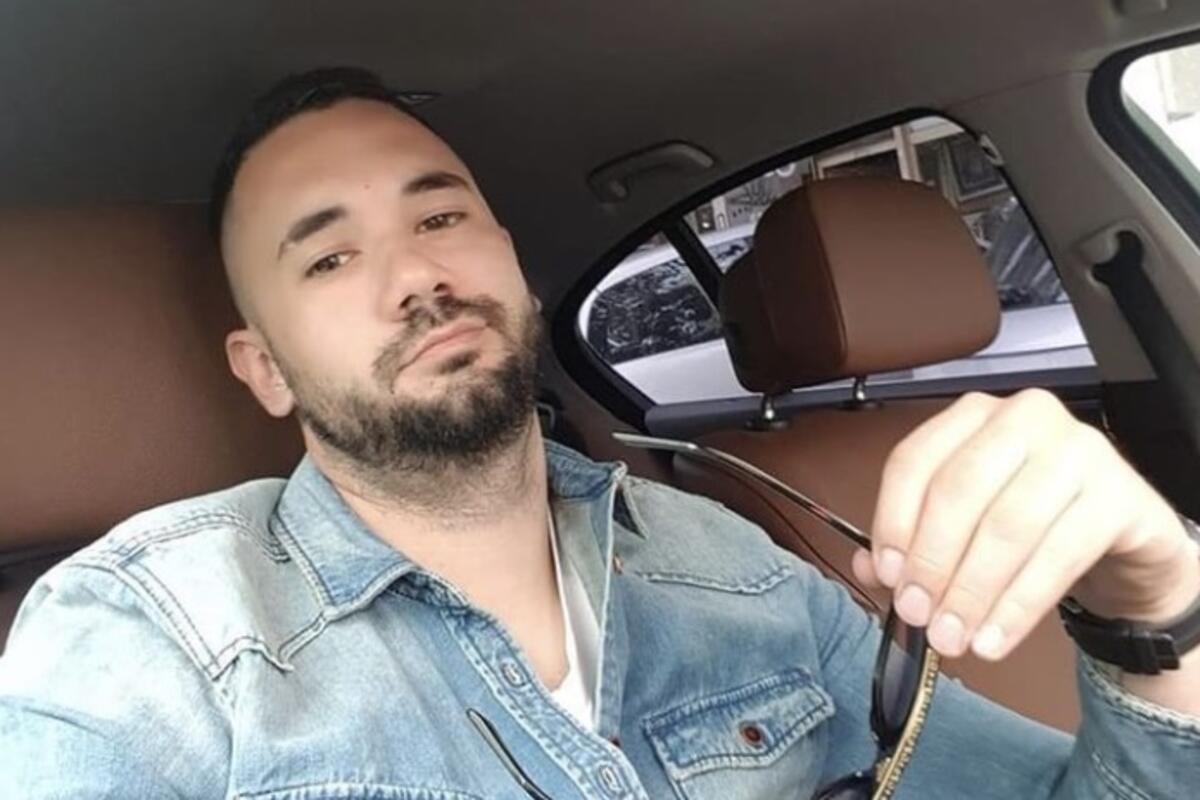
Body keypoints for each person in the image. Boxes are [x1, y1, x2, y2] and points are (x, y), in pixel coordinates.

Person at [1, 67, 1197, 799]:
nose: (415, 275)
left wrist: (1154, 614)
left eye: (441, 216)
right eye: (328, 257)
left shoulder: (740, 570)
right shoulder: (149, 636)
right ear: (264, 369)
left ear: (514, 269)